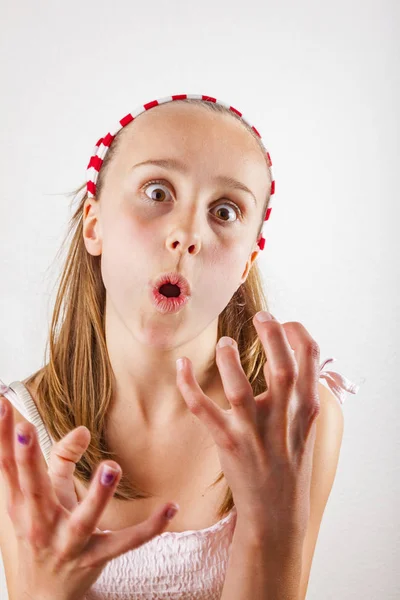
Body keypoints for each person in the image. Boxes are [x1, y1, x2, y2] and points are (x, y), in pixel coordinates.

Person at [0, 94, 359, 600]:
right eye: (157, 191)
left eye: (225, 210)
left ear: (245, 266)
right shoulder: (15, 431)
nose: (188, 233)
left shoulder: (298, 420)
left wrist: (270, 525)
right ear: (94, 222)